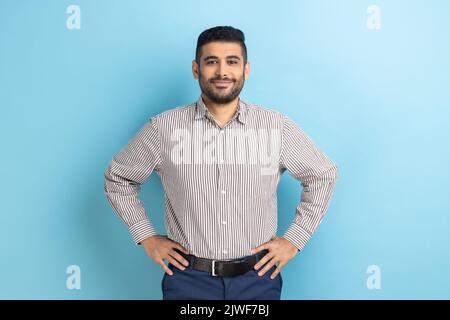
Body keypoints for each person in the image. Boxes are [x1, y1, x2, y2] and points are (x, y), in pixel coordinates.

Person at [104, 26, 338, 300]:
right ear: (196, 69)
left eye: (232, 61)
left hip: (258, 281)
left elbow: (322, 175)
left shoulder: (276, 128)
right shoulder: (163, 129)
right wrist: (147, 237)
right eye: (211, 61)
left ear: (246, 70)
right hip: (188, 281)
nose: (222, 72)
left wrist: (294, 239)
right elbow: (118, 179)